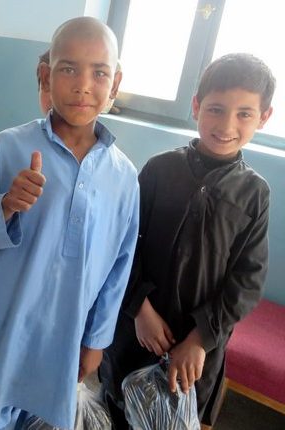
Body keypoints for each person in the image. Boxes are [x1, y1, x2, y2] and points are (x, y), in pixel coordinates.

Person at [0, 16, 139, 429]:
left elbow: (119, 268)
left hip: (64, 340)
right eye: (68, 68)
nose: (83, 85)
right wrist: (5, 206)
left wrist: (97, 339)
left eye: (99, 72)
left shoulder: (124, 177)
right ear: (45, 75)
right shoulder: (7, 147)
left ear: (115, 83)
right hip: (1, 328)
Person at [99, 52, 275, 429]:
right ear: (196, 106)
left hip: (197, 349)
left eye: (244, 113)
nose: (226, 124)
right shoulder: (159, 170)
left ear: (264, 117)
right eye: (216, 109)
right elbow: (123, 244)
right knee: (117, 412)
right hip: (136, 332)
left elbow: (248, 280)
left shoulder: (254, 193)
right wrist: (140, 308)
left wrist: (200, 338)